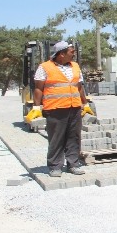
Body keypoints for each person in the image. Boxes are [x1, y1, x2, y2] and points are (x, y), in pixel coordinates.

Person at [25, 41, 95, 177]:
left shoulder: (75, 66)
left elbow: (79, 87)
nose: (74, 54)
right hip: (55, 108)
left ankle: (73, 164)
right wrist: (36, 107)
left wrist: (85, 104)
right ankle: (55, 166)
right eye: (71, 52)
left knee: (74, 138)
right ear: (61, 54)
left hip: (74, 108)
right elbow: (38, 88)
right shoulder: (45, 67)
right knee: (56, 138)